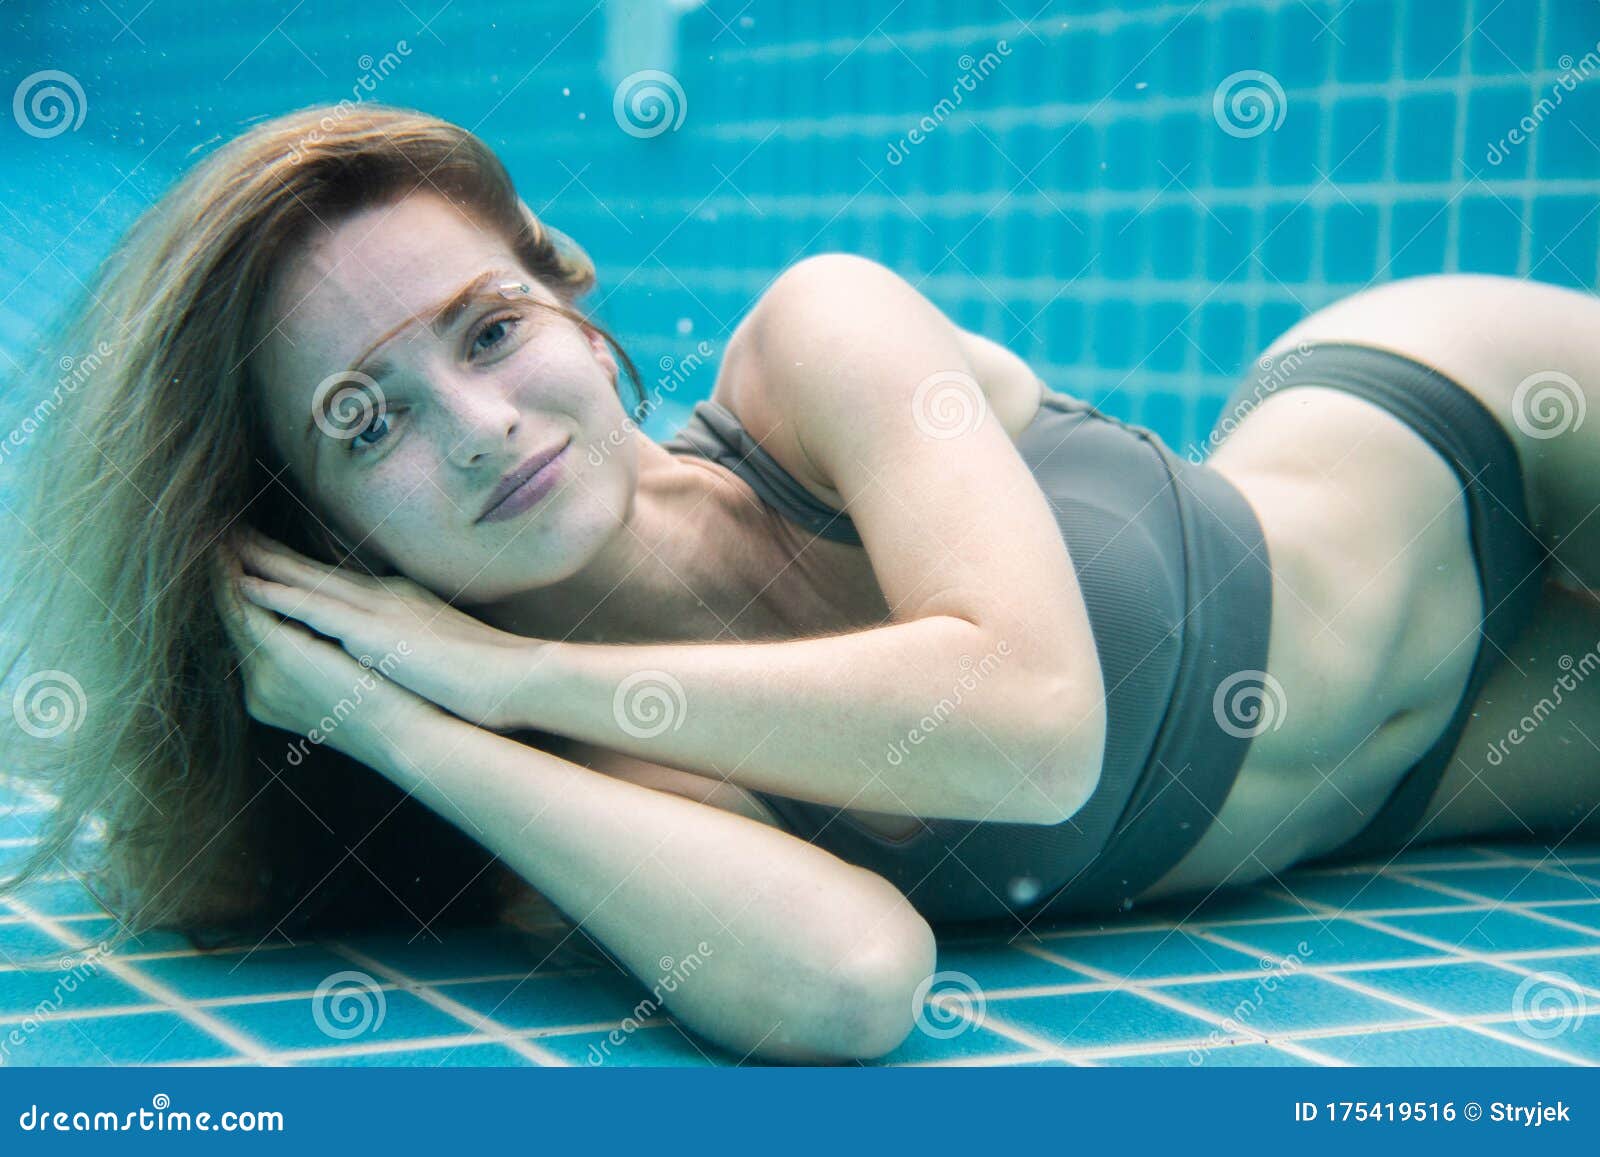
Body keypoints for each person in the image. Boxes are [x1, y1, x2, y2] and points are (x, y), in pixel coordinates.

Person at [3, 102, 1596, 1064]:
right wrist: (406, 719)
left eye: (489, 329)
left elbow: (1039, 727)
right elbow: (851, 978)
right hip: (1458, 770)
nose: (480, 429)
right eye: (368, 423)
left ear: (565, 282)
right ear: (321, 540)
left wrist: (506, 673)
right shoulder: (580, 790)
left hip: (1455, 430)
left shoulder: (819, 343)